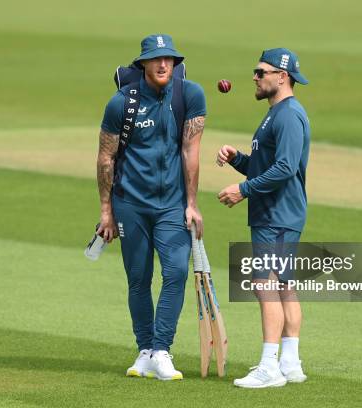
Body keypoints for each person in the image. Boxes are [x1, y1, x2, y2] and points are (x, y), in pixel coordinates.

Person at [96, 34, 206, 380]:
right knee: (138, 279)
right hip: (130, 204)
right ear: (142, 63)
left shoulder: (190, 95)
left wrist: (192, 203)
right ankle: (145, 350)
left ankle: (162, 349)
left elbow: (190, 150)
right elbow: (106, 157)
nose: (163, 65)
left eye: (169, 59)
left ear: (175, 63)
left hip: (172, 205)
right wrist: (106, 211)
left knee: (176, 273)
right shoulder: (121, 103)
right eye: (156, 59)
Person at [216, 48, 311, 388]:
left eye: (261, 72)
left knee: (265, 284)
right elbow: (270, 165)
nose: (254, 78)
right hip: (281, 212)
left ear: (282, 77)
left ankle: (269, 367)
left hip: (275, 214)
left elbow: (285, 169)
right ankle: (290, 362)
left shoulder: (287, 115)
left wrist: (243, 189)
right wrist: (239, 158)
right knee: (284, 286)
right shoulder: (278, 113)